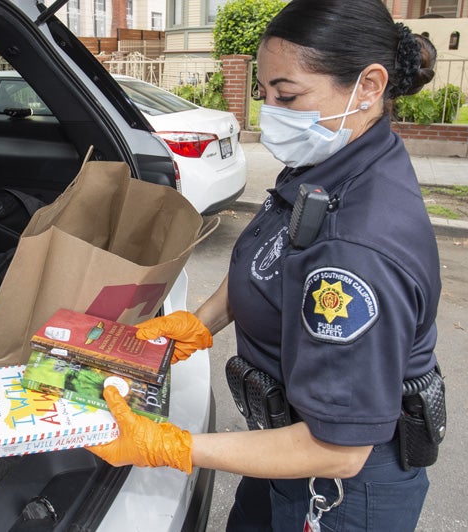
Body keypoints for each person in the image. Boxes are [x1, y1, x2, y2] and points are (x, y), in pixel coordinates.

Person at [87, 0, 445, 530]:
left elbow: (339, 450)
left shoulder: (356, 253)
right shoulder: (329, 166)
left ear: (369, 86)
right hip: (279, 445)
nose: (271, 112)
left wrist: (169, 445)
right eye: (266, 94)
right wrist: (197, 325)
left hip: (339, 488)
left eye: (288, 96)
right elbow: (273, 260)